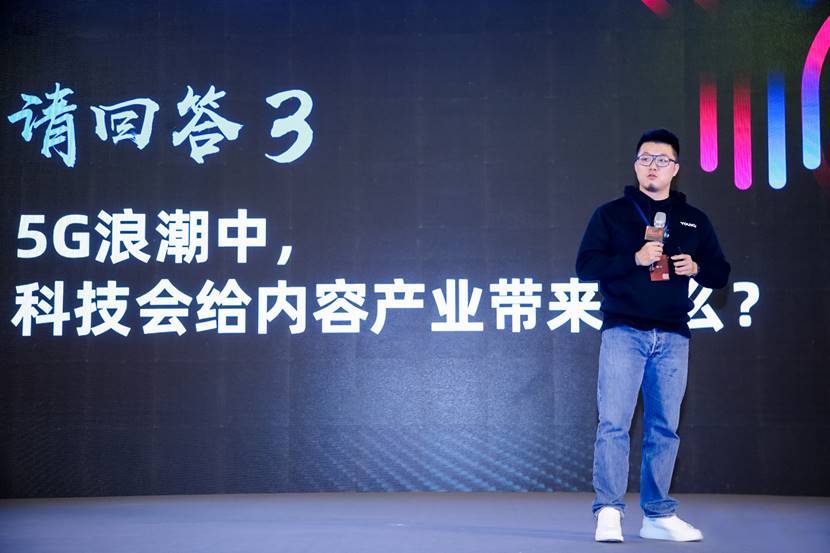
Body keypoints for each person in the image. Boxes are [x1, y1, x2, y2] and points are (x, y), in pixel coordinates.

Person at [575, 129, 730, 542]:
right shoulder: (611, 215)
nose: (653, 166)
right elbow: (586, 266)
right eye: (645, 158)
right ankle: (609, 510)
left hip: (673, 335)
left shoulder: (694, 219)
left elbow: (720, 272)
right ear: (635, 165)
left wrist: (696, 268)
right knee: (614, 424)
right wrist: (634, 258)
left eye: (662, 160)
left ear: (675, 169)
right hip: (624, 331)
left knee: (664, 428)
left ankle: (658, 515)